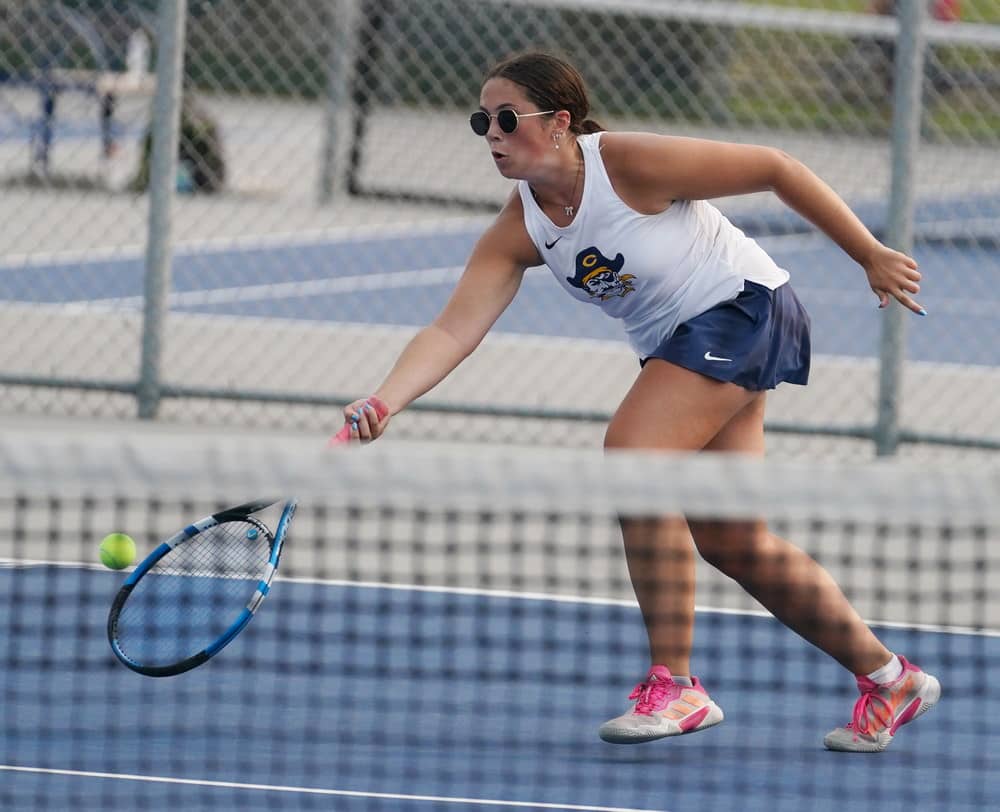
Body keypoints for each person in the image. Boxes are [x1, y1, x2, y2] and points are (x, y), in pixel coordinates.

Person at [337, 51, 937, 753]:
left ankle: (677, 684)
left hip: (743, 308)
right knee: (731, 540)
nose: (492, 134)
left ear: (559, 123)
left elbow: (777, 167)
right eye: (482, 121)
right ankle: (890, 677)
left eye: (507, 118)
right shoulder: (522, 226)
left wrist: (867, 251)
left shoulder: (625, 165)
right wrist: (385, 399)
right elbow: (452, 328)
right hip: (686, 345)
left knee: (633, 454)